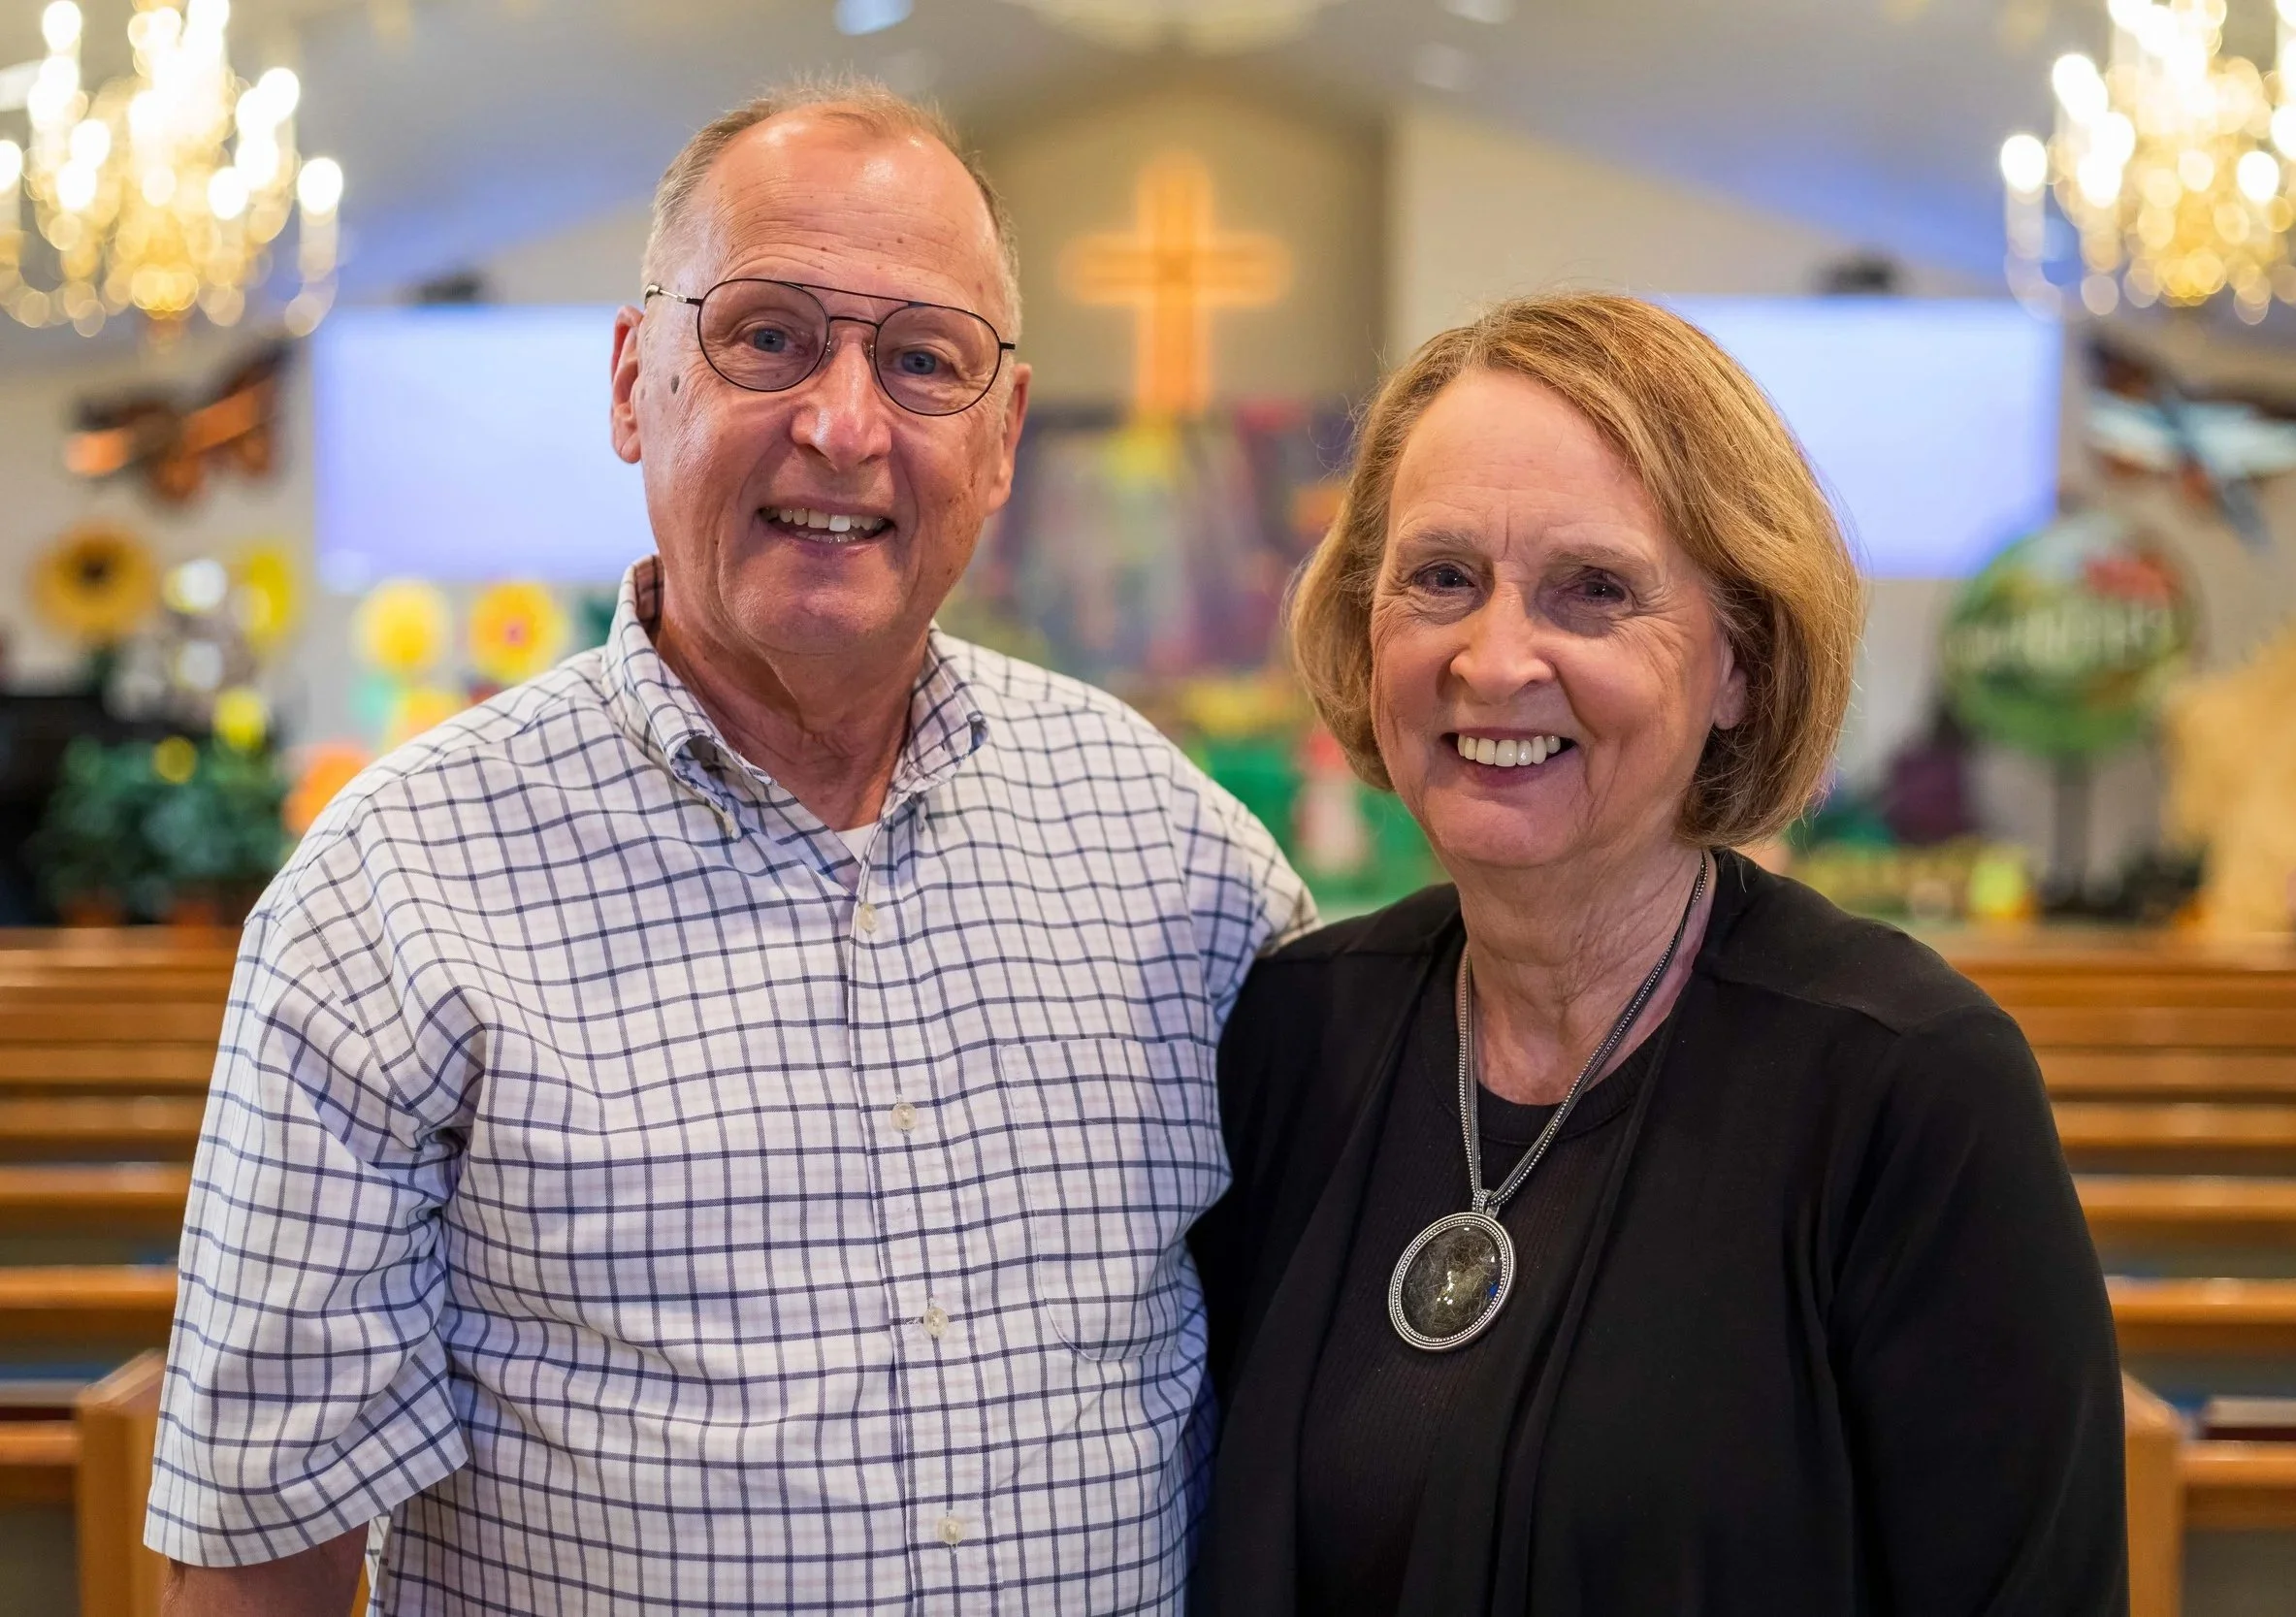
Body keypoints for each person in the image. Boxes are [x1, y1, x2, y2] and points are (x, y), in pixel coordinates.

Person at [147, 80, 1310, 1615]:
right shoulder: (393, 896)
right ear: (636, 382)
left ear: (1004, 434)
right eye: (767, 335)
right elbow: (258, 1558)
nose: (842, 422)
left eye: (921, 361)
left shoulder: (1183, 860)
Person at [1191, 293, 2125, 1616]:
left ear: (1736, 659)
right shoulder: (1291, 1035)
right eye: (1441, 576)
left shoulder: (1908, 1090)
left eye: (1594, 590)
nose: (1495, 656)